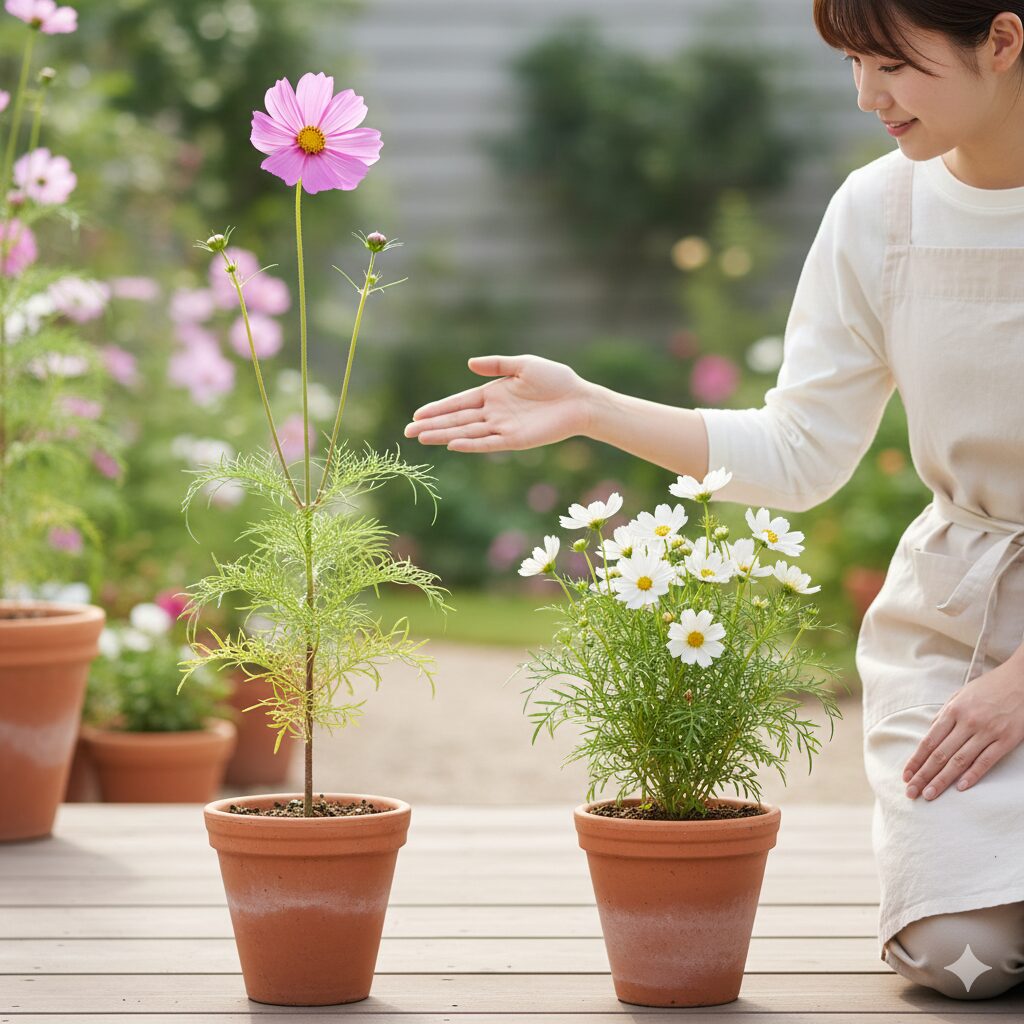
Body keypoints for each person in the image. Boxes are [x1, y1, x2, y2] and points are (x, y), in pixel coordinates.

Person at [404, 0, 1024, 1002]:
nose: (866, 96)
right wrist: (591, 408)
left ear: (1000, 41)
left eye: (891, 63)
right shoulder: (880, 212)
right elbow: (799, 453)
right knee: (960, 957)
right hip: (964, 621)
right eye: (851, 63)